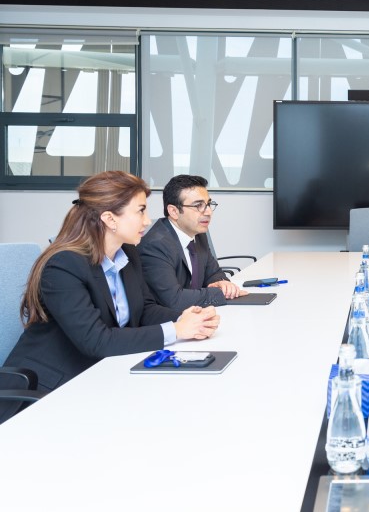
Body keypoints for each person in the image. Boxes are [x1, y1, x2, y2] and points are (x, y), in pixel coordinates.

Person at [3, 171, 220, 401]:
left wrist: (187, 319)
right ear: (109, 218)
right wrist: (176, 330)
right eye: (140, 211)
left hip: (101, 373)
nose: (147, 221)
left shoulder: (127, 253)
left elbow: (145, 310)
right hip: (46, 388)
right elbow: (97, 341)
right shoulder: (64, 266)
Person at [138, 175, 246, 313]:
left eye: (208, 204)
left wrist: (222, 283)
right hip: (170, 322)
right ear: (174, 211)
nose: (208, 212)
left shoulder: (198, 234)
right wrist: (219, 293)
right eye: (198, 205)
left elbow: (213, 273)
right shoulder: (155, 246)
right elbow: (174, 300)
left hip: (196, 316)